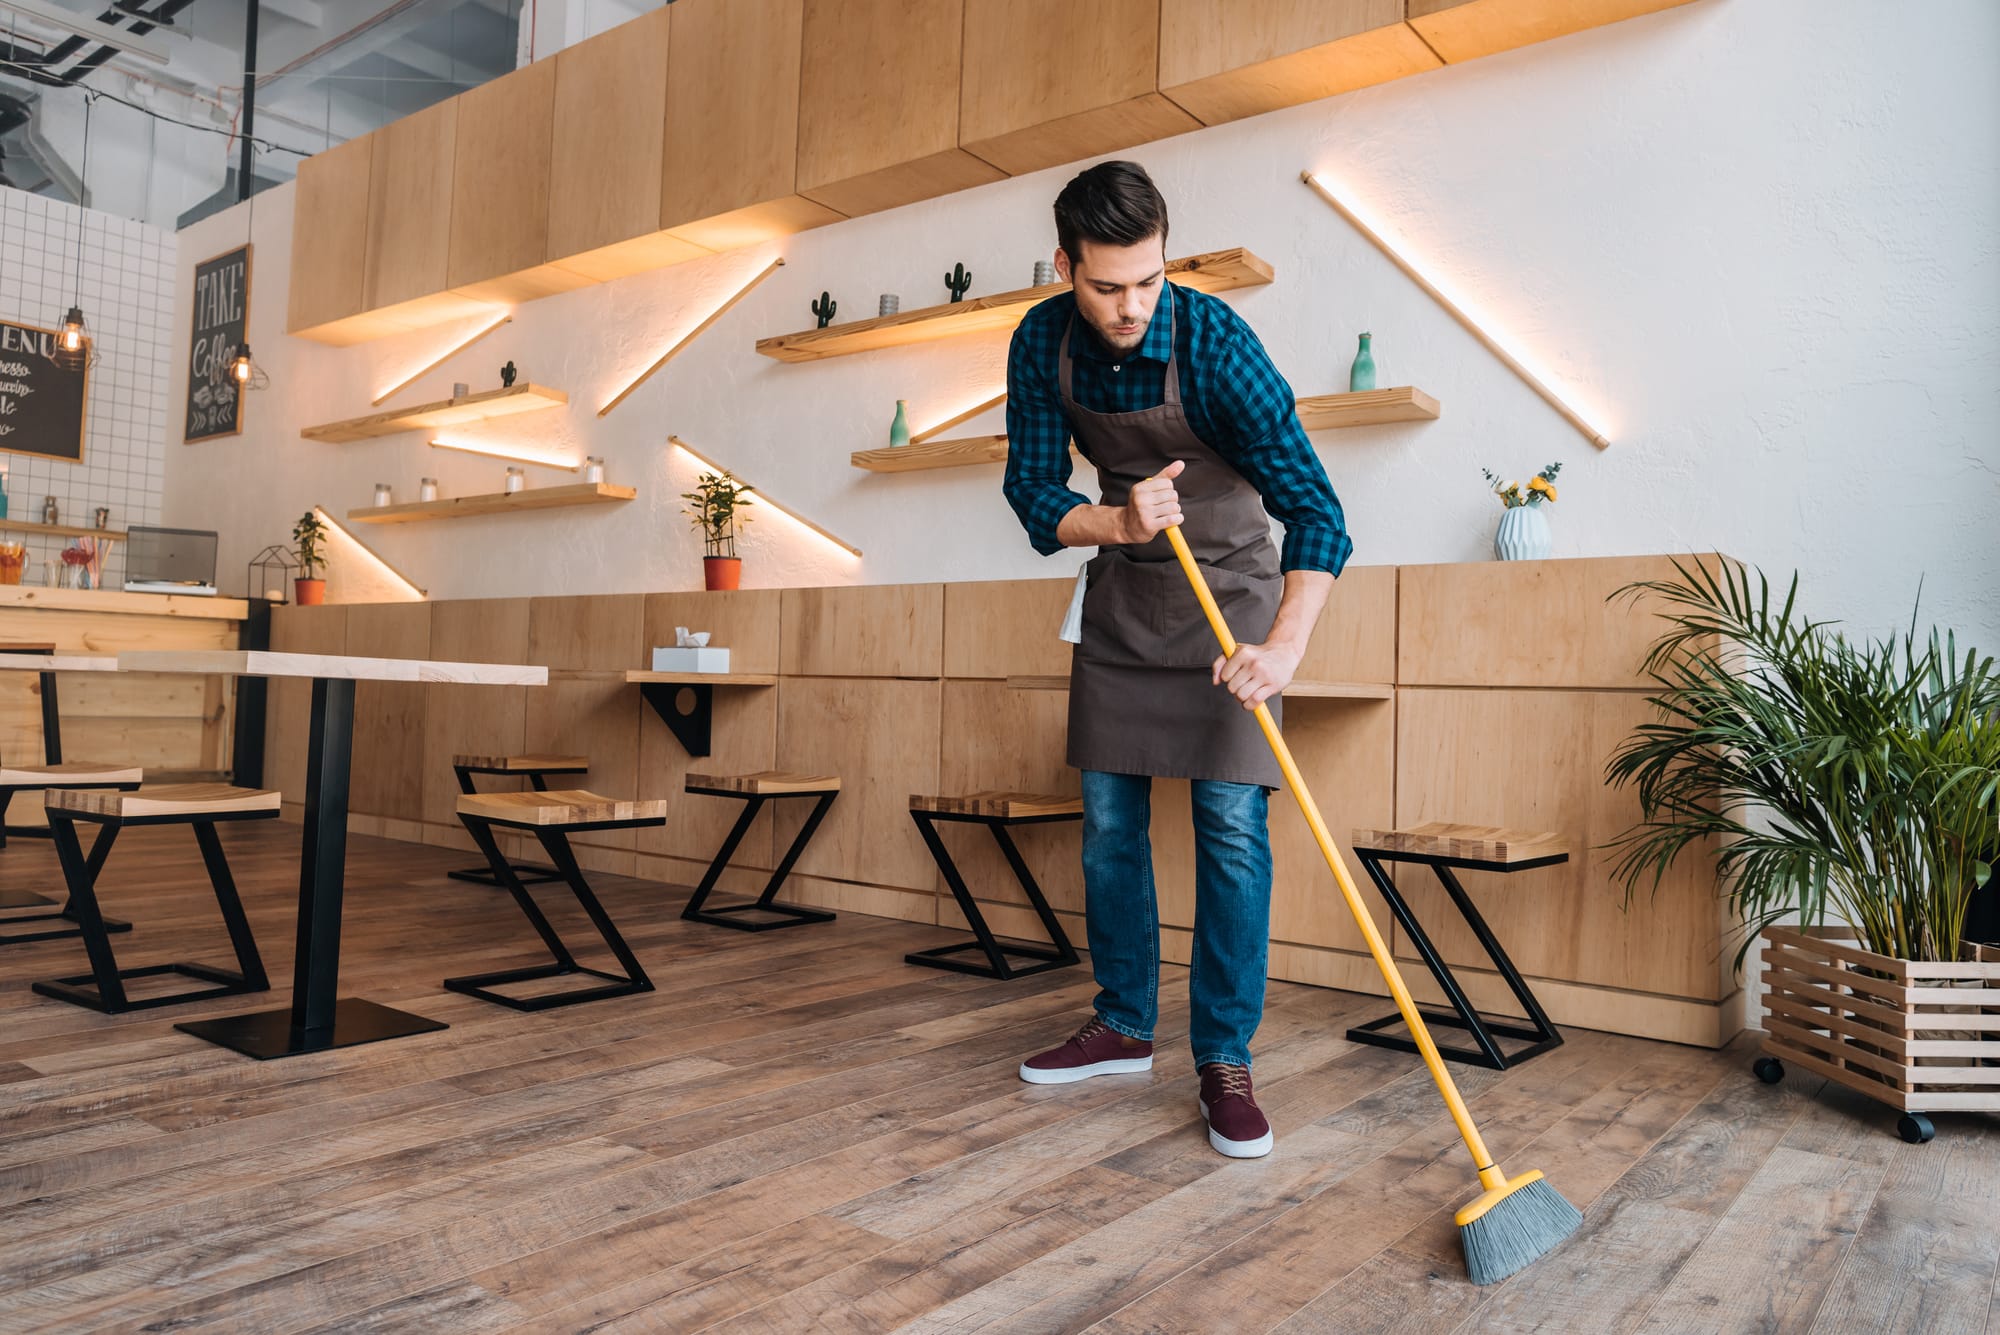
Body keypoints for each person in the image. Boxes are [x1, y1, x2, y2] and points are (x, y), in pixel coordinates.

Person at [1002, 160, 1351, 1159]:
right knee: (1109, 824)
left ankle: (1224, 1056)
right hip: (1123, 591)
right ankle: (1120, 1024)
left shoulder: (1213, 342)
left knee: (1229, 825)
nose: (1129, 306)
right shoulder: (1040, 342)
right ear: (1065, 266)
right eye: (1106, 285)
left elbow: (1316, 512)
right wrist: (1110, 519)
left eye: (1147, 281)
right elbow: (1031, 493)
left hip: (1234, 597)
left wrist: (1280, 649)